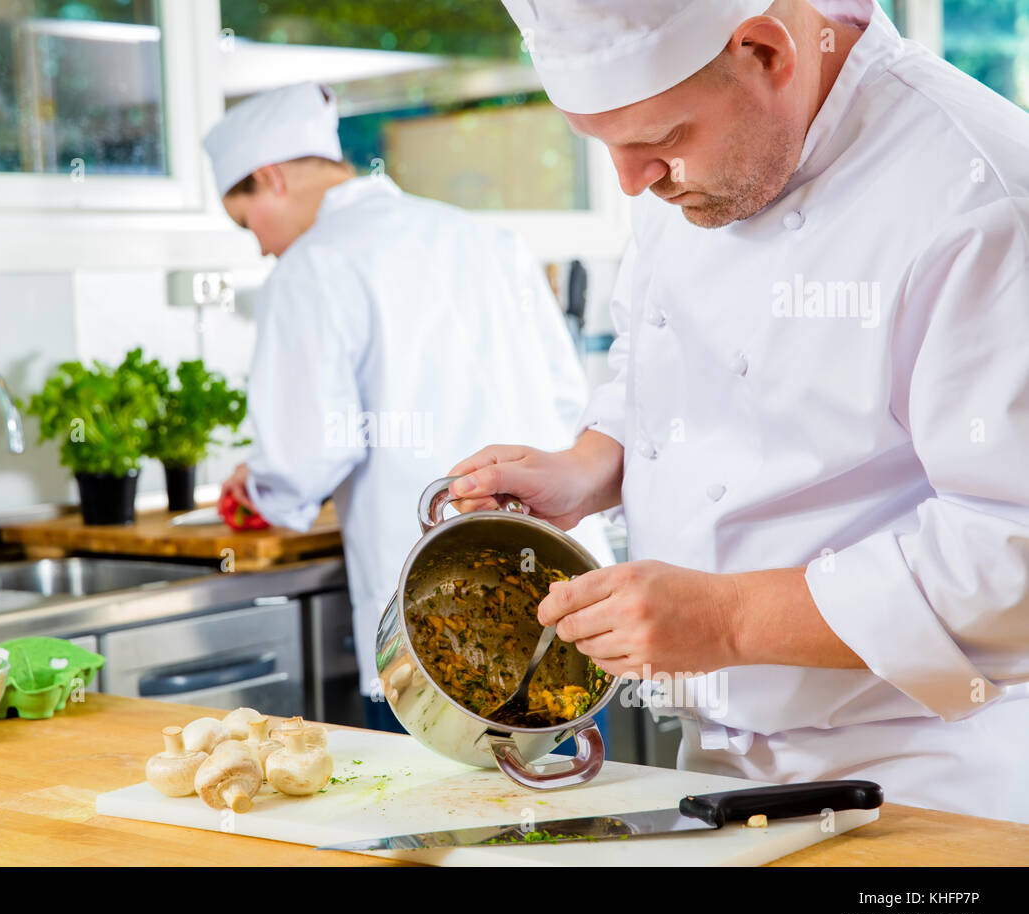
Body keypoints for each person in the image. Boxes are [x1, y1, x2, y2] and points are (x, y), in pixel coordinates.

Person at [449, 0, 1029, 821]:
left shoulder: (984, 196)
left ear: (763, 50)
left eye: (660, 141)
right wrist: (588, 465)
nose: (630, 183)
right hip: (716, 771)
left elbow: (1012, 554)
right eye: (606, 147)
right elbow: (656, 362)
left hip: (927, 776)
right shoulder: (710, 158)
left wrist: (726, 619)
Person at [204, 83, 592, 730]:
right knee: (562, 805)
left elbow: (306, 458)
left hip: (433, 621)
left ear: (270, 179)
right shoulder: (488, 238)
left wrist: (264, 488)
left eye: (247, 224)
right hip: (557, 585)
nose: (261, 247)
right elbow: (566, 398)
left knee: (436, 823)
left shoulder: (311, 266)